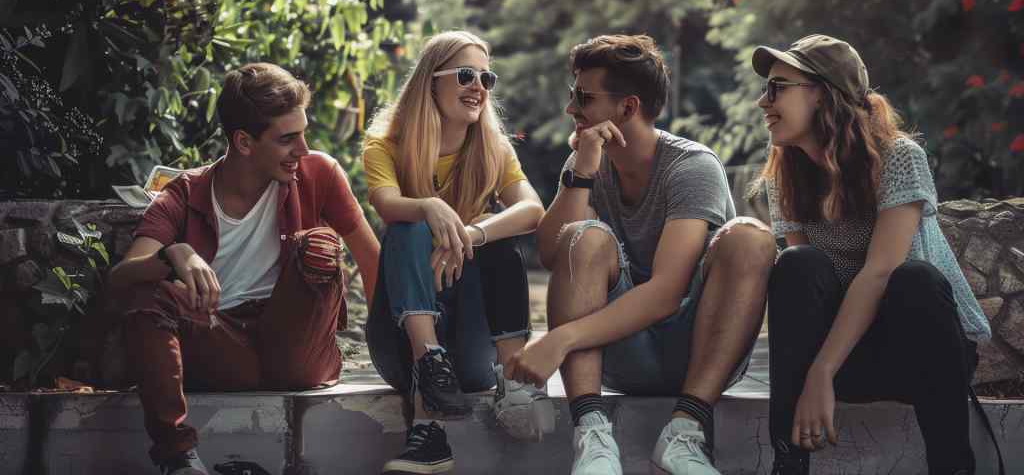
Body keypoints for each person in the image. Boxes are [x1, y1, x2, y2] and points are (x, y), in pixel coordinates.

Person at [503, 34, 777, 475]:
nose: (571, 109)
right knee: (584, 236)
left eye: (583, 97)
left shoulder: (692, 166)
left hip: (701, 353)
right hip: (622, 356)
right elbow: (555, 255)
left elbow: (667, 292)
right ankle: (592, 437)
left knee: (750, 237)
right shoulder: (586, 162)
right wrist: (580, 177)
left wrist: (560, 338)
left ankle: (686, 432)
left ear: (627, 108)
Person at [107, 63, 381, 475]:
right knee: (148, 290)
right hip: (224, 346)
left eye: (303, 133)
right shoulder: (184, 193)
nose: (303, 149)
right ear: (244, 142)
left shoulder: (318, 172)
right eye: (288, 139)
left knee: (317, 246)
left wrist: (392, 354)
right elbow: (122, 277)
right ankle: (178, 458)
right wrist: (174, 255)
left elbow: (372, 258)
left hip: (297, 351)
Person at [751, 35, 993, 475]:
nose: (762, 101)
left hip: (919, 349)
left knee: (913, 278)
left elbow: (880, 272)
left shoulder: (899, 156)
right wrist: (818, 369)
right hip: (843, 353)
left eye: (776, 87)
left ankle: (954, 467)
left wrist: (821, 371)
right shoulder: (785, 171)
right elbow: (804, 293)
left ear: (822, 94)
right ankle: (788, 465)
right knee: (797, 265)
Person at [362, 30, 549, 474]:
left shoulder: (493, 148)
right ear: (431, 81)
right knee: (407, 228)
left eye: (487, 78)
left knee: (498, 239)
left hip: (470, 351)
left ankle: (512, 379)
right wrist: (428, 205)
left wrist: (471, 233)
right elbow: (387, 204)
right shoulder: (386, 143)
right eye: (466, 75)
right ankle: (429, 367)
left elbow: (532, 209)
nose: (479, 87)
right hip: (401, 346)